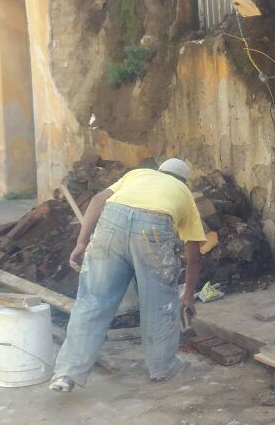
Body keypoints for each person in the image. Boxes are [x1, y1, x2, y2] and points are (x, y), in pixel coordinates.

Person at [49, 158, 205, 392]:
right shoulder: (184, 193)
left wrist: (81, 243)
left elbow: (97, 200)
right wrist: (188, 296)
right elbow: (193, 256)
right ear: (184, 180)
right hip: (153, 229)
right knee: (160, 302)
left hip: (111, 223)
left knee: (93, 301)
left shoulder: (138, 174)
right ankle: (163, 367)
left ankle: (66, 374)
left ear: (159, 171)